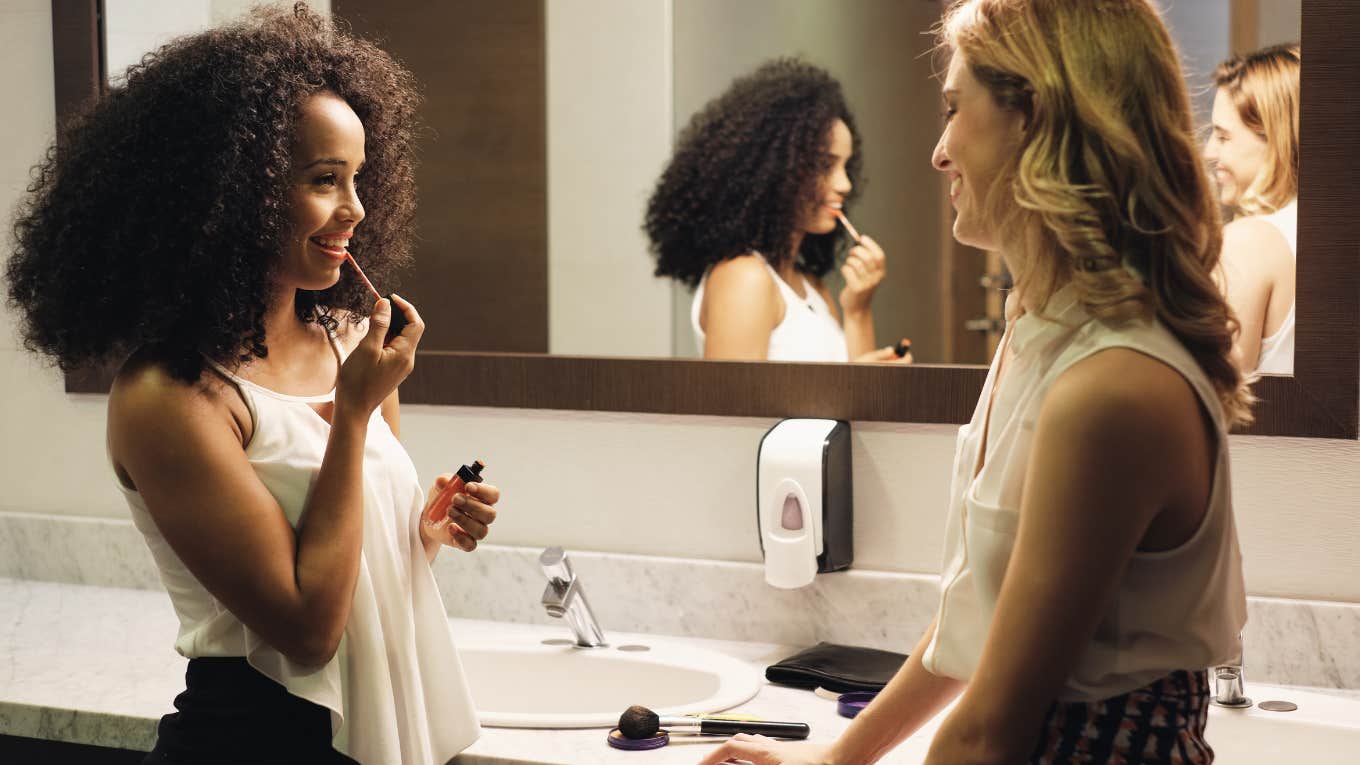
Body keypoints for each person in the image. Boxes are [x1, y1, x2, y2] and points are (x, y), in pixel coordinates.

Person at [698, 1, 1252, 763]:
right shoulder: (1037, 336)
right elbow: (971, 627)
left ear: (1039, 120)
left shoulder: (1118, 385)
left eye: (955, 109)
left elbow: (992, 726)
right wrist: (833, 760)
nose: (938, 152)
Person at [6, 6, 494, 763]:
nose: (356, 208)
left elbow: (356, 561)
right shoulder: (167, 397)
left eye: (359, 178)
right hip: (251, 741)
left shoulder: (346, 343)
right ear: (234, 193)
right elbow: (308, 628)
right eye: (325, 180)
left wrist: (426, 527)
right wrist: (355, 416)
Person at [644, 58, 909, 363]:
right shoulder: (745, 277)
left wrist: (858, 310)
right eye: (825, 165)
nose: (845, 184)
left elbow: (862, 400)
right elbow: (730, 408)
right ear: (775, 171)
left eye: (845, 166)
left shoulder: (812, 288)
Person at [1205, 44, 1301, 375]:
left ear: (1274, 139)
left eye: (1223, 137)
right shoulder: (1329, 239)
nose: (1209, 152)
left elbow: (1217, 392)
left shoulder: (1248, 243)